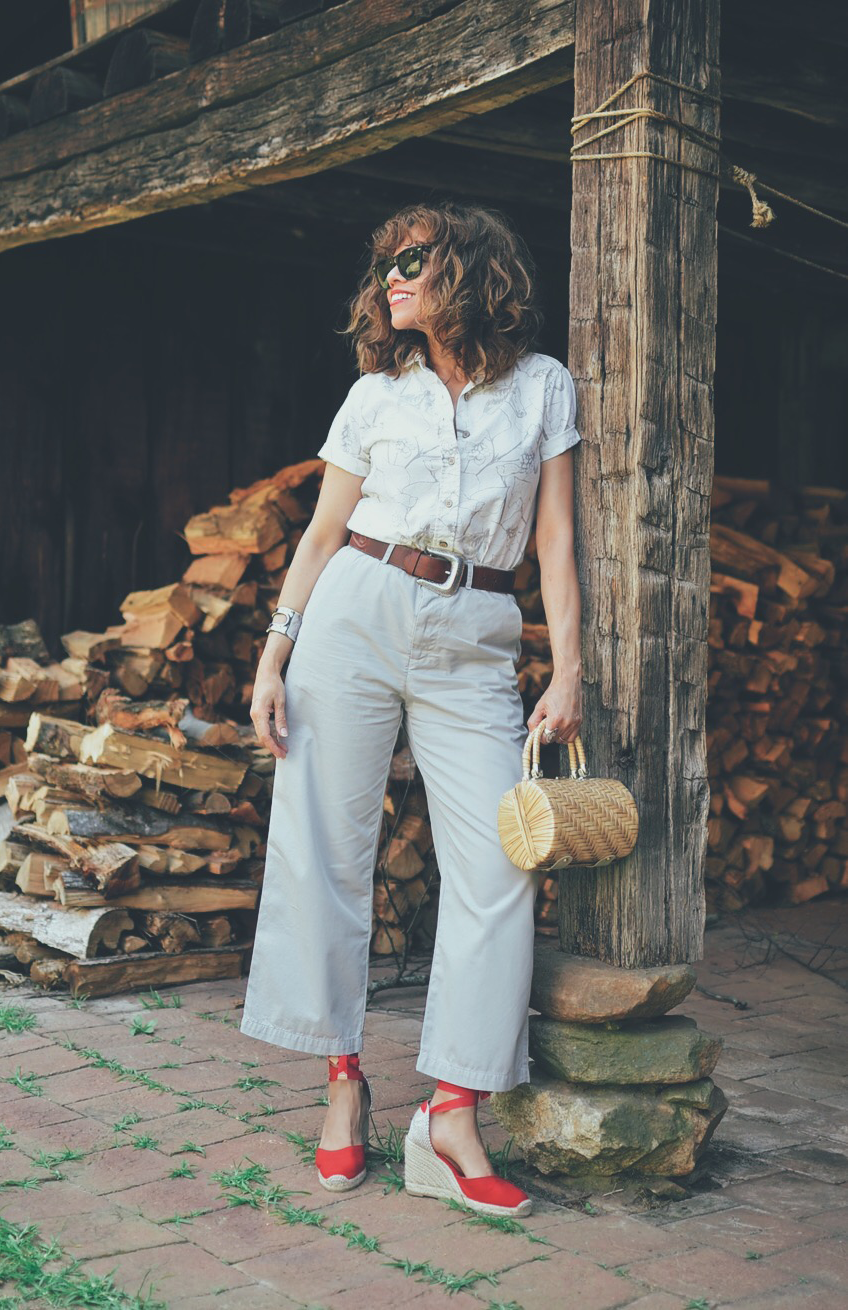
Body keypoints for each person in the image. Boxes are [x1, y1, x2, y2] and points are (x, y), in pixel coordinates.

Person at [240, 201, 583, 1218]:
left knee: (497, 858)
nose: (394, 276)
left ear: (469, 268)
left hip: (474, 624)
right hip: (353, 607)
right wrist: (272, 655)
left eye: (415, 259)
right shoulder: (374, 395)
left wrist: (569, 670)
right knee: (323, 844)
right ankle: (343, 1081)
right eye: (387, 261)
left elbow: (556, 543)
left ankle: (452, 1108)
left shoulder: (542, 388)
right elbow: (316, 537)